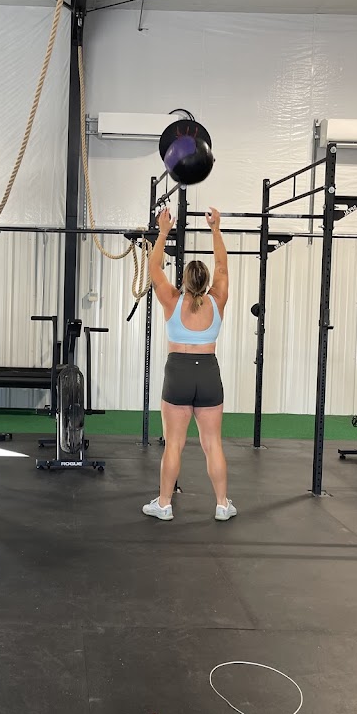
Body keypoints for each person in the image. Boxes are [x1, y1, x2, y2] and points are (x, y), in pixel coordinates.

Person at [143, 206, 236, 523]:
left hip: (178, 373)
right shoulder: (217, 299)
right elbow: (222, 266)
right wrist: (215, 229)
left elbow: (154, 266)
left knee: (174, 445)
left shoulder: (171, 299)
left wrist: (163, 232)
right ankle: (222, 505)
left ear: (184, 280)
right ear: (206, 281)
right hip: (208, 373)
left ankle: (164, 504)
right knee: (212, 444)